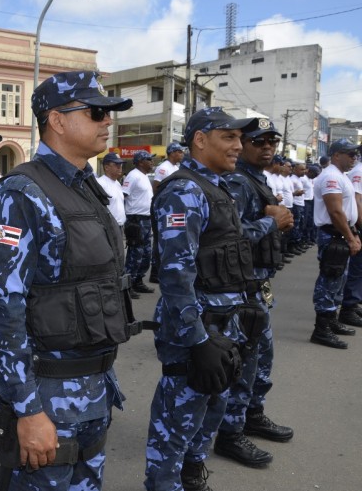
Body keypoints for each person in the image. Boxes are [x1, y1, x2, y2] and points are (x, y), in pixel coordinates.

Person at [0, 71, 137, 490]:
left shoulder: (87, 186)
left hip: (94, 386)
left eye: (108, 113)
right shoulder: (23, 192)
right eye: (96, 112)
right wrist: (28, 409)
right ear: (57, 120)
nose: (108, 121)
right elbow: (3, 307)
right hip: (49, 395)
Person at [145, 107, 259, 491]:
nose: (238, 146)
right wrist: (197, 340)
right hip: (196, 325)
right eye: (229, 137)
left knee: (212, 407)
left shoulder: (217, 186)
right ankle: (163, 484)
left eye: (239, 138)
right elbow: (176, 276)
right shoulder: (184, 191)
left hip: (224, 322)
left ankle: (192, 476)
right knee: (179, 414)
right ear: (200, 139)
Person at [219, 118, 295, 469]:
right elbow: (230, 239)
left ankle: (252, 414)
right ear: (243, 145)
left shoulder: (257, 180)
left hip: (259, 285)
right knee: (245, 362)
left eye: (272, 142)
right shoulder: (237, 182)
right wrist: (272, 221)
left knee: (260, 360)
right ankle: (230, 433)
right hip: (242, 289)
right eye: (258, 141)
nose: (267, 147)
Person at [310, 138, 361, 349]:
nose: (354, 158)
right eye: (350, 154)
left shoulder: (342, 176)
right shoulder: (331, 176)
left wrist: (353, 233)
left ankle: (331, 322)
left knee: (338, 280)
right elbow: (336, 211)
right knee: (329, 280)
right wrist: (350, 237)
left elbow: (347, 211)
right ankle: (321, 329)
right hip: (333, 235)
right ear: (336, 154)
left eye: (355, 155)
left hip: (341, 233)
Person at [149, 141, 186, 283]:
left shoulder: (176, 167)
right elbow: (157, 187)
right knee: (161, 239)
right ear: (172, 153)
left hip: (174, 207)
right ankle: (155, 272)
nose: (182, 154)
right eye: (179, 152)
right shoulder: (163, 168)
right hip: (165, 207)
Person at [123, 149, 156, 295]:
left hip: (146, 220)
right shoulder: (133, 176)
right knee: (135, 253)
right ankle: (128, 286)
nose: (151, 162)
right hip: (136, 220)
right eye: (149, 159)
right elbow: (123, 195)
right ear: (141, 162)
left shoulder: (143, 176)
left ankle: (138, 281)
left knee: (146, 254)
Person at [338, 145, 362, 328]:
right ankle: (349, 307)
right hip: (359, 226)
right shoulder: (359, 172)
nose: (353, 157)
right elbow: (357, 200)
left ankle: (354, 303)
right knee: (356, 268)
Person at [97, 152, 127, 227]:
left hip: (120, 226)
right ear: (106, 167)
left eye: (121, 164)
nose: (120, 167)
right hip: (109, 227)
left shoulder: (117, 183)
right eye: (116, 164)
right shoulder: (100, 183)